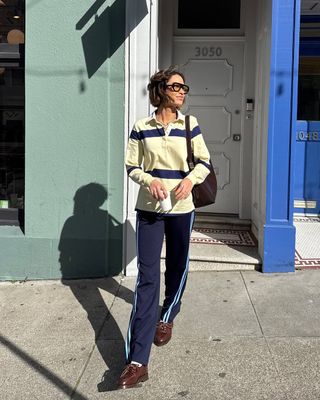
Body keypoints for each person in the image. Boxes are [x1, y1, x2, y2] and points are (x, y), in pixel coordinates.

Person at [117, 66, 211, 389]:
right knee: (147, 279)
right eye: (177, 86)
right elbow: (131, 166)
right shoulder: (142, 127)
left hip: (183, 209)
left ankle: (168, 315)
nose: (183, 92)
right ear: (161, 90)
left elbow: (204, 164)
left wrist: (189, 180)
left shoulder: (190, 125)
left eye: (185, 88)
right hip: (150, 210)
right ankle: (137, 361)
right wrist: (150, 179)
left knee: (177, 267)